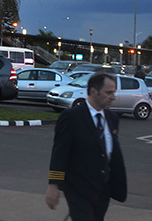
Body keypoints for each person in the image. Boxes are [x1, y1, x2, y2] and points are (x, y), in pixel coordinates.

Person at [46, 72, 127, 220]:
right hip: (78, 188)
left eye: (114, 92)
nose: (113, 97)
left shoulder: (112, 119)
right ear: (93, 92)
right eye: (109, 93)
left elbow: (110, 153)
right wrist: (54, 184)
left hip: (103, 189)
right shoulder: (72, 117)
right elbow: (60, 152)